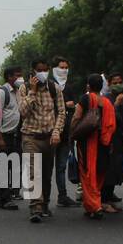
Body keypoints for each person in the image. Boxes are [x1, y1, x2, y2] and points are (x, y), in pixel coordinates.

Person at [16, 58, 66, 223]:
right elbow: (22, 112)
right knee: (33, 173)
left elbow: (61, 112)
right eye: (39, 70)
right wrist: (33, 91)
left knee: (46, 174)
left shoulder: (55, 88)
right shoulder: (24, 89)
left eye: (45, 69)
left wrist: (57, 131)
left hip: (50, 138)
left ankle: (44, 204)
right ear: (33, 71)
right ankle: (35, 207)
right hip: (30, 137)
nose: (42, 73)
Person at [73, 73, 117, 219]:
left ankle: (95, 206)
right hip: (104, 143)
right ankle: (90, 206)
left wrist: (72, 133)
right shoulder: (108, 102)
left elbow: (77, 116)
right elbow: (111, 125)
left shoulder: (86, 99)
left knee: (87, 175)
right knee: (99, 174)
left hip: (88, 143)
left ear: (88, 86)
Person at [0, 66, 23, 211]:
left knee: (10, 166)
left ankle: (2, 197)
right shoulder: (2, 92)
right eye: (17, 75)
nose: (20, 79)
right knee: (2, 167)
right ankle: (3, 198)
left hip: (13, 135)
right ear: (9, 77)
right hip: (2, 135)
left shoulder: (17, 92)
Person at [101, 72, 123, 213]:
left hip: (120, 139)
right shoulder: (106, 99)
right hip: (110, 140)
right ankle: (103, 201)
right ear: (108, 84)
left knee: (116, 168)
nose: (118, 85)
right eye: (114, 82)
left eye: (120, 82)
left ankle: (110, 197)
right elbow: (108, 119)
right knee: (109, 169)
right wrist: (116, 105)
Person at [51, 57, 79, 207]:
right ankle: (41, 199)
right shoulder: (48, 85)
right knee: (46, 167)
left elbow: (73, 106)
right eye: (61, 67)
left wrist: (69, 106)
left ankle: (62, 196)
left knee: (61, 166)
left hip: (66, 132)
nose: (64, 70)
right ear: (54, 69)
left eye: (66, 67)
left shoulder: (69, 86)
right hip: (50, 132)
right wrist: (65, 105)